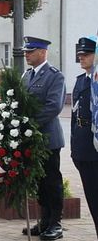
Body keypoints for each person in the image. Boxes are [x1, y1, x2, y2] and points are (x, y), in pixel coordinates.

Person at [21, 36, 66, 240]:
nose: (26, 55)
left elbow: (53, 106)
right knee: (39, 182)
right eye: (26, 52)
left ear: (42, 52)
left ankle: (55, 223)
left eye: (30, 51)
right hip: (31, 139)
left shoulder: (54, 76)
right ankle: (45, 220)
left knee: (51, 181)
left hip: (47, 138)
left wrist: (29, 124)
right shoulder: (26, 76)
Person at [71, 36, 98, 238]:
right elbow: (74, 116)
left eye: (86, 54)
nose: (82, 58)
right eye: (80, 54)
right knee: (92, 199)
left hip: (95, 147)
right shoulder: (81, 81)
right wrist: (74, 150)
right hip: (83, 147)